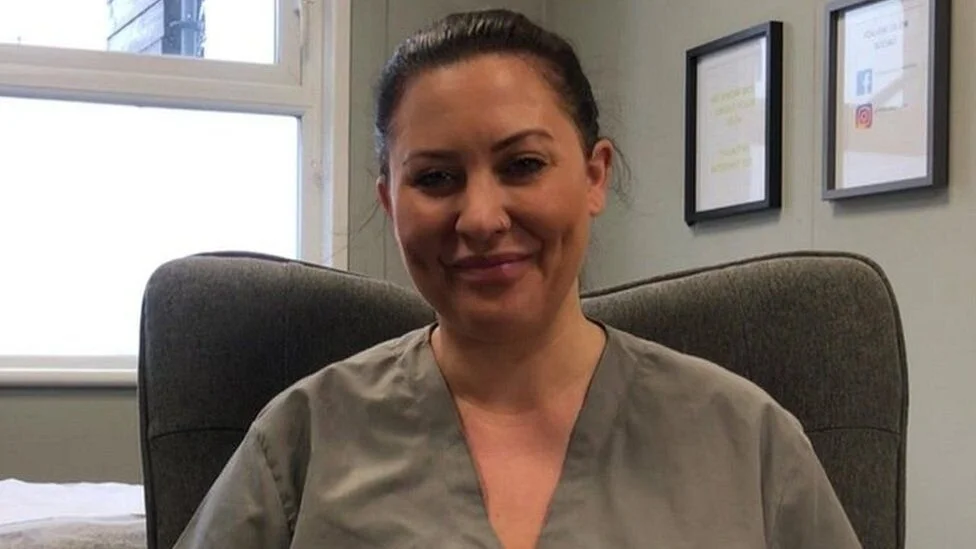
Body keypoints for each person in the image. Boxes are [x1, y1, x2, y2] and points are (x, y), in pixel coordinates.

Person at [173, 8, 863, 549]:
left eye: (523, 165)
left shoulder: (747, 442)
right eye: (435, 178)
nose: (480, 217)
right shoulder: (304, 441)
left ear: (594, 176)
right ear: (390, 202)